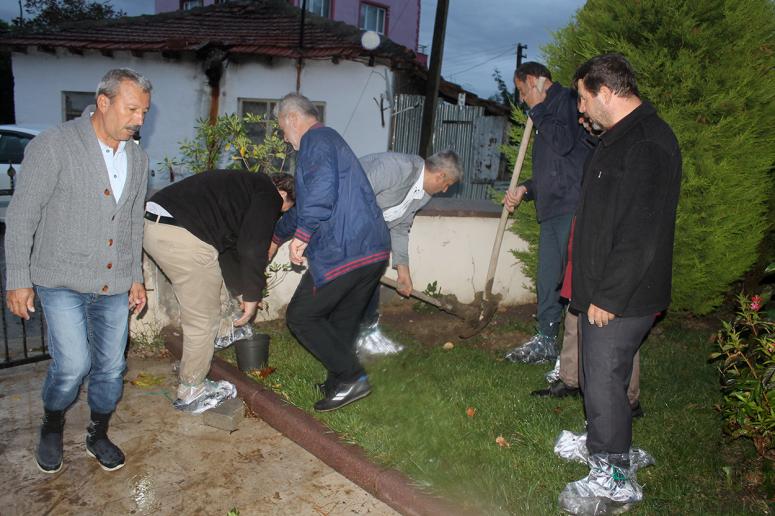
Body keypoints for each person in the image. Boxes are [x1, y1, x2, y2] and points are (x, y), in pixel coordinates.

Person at [5, 68, 152, 473]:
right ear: (104, 103)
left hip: (114, 281)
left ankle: (98, 432)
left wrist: (136, 276)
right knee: (72, 365)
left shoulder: (137, 158)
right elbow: (21, 215)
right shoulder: (54, 145)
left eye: (144, 111)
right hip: (61, 278)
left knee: (111, 368)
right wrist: (17, 278)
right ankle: (51, 426)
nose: (140, 119)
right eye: (132, 108)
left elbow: (132, 223)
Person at [557, 53, 681, 512]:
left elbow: (641, 231)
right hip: (604, 287)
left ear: (606, 92)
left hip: (622, 294)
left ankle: (612, 476)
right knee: (599, 375)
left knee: (605, 379)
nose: (581, 110)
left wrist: (608, 295)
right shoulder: (620, 137)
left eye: (584, 99)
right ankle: (607, 445)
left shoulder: (648, 142)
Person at [270, 92, 391, 412]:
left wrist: (303, 235)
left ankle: (352, 377)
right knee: (341, 322)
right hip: (372, 249)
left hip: (345, 250)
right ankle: (341, 381)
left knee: (301, 316)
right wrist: (277, 236)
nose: (284, 136)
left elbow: (320, 193)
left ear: (292, 118)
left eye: (282, 127)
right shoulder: (329, 142)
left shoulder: (315, 140)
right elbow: (311, 203)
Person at [143, 170, 295, 412]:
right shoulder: (269, 194)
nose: (276, 213)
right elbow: (252, 247)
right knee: (203, 318)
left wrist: (241, 292)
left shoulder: (242, 185)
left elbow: (227, 249)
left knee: (212, 282)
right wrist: (253, 296)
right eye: (282, 209)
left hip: (156, 225)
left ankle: (224, 333)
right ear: (283, 193)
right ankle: (192, 389)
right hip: (183, 235)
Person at [502, 62, 593, 365]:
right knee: (548, 279)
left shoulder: (567, 101)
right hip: (553, 208)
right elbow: (554, 169)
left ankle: (577, 350)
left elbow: (565, 144)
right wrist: (525, 190)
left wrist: (538, 109)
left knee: (573, 282)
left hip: (573, 206)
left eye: (521, 91)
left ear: (532, 81)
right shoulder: (544, 112)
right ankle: (545, 340)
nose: (522, 99)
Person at [355, 150, 461, 354]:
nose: (445, 189)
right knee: (353, 287)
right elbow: (353, 196)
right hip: (346, 233)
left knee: (369, 282)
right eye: (447, 184)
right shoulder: (395, 168)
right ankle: (352, 338)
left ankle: (367, 336)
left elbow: (401, 225)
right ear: (440, 176)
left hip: (370, 242)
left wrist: (403, 270)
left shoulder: (422, 193)